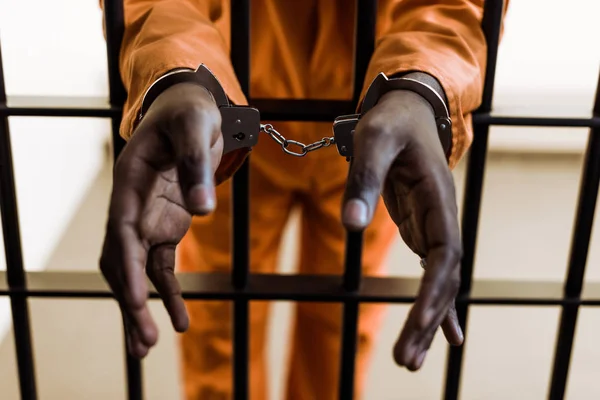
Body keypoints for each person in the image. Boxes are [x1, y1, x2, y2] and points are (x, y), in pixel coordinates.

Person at [99, 0, 506, 398]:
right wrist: (177, 74)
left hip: (371, 137)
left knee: (341, 324)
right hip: (223, 131)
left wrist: (422, 81)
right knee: (222, 323)